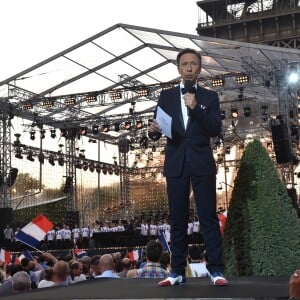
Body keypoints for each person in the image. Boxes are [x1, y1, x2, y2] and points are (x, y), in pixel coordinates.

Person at [148, 48, 228, 286]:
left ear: (200, 68)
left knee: (208, 219)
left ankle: (216, 270)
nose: (190, 68)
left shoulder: (209, 97)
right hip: (176, 163)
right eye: (185, 64)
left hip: (202, 162)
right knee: (177, 220)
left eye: (194, 63)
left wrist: (196, 107)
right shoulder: (166, 96)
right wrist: (152, 132)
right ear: (179, 68)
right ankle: (177, 272)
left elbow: (215, 128)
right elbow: (159, 127)